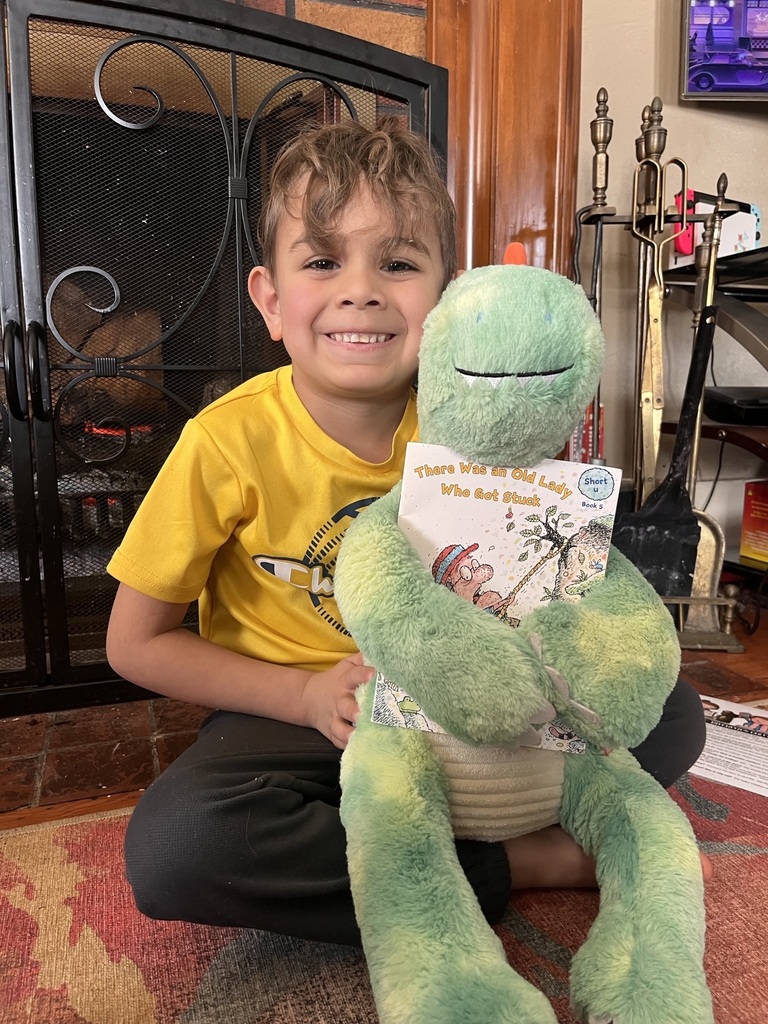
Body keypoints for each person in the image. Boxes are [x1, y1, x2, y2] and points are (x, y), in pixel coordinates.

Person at [106, 119, 709, 948]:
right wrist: (304, 697)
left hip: (472, 708)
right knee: (180, 848)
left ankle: (439, 840)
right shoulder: (224, 441)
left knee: (670, 709)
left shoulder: (480, 424)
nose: (361, 290)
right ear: (271, 300)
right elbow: (134, 645)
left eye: (396, 262)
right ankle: (518, 861)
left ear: (449, 300)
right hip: (301, 722)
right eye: (322, 261)